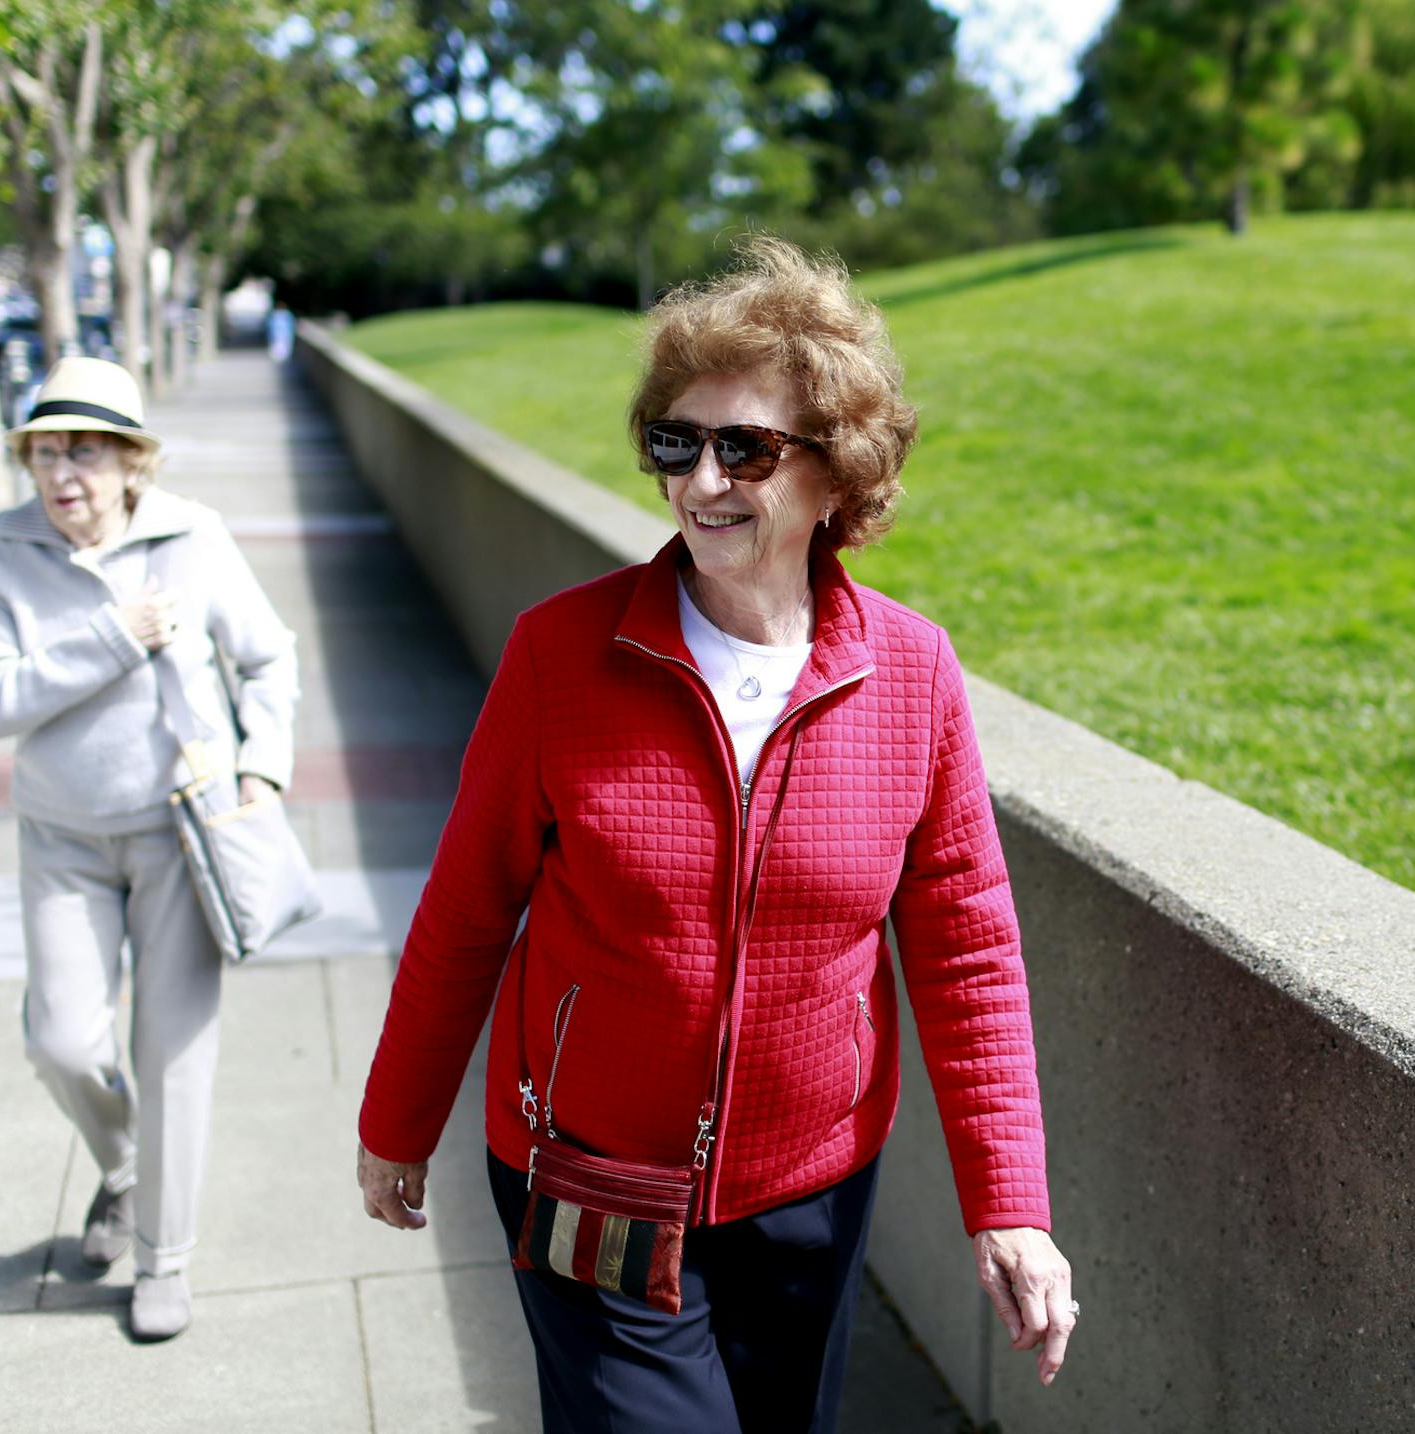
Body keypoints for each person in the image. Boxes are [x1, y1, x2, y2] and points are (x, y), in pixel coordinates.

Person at [355, 236, 1077, 1432]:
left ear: (835, 472)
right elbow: (467, 908)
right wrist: (397, 1122)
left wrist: (1010, 1201)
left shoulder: (912, 674)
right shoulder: (559, 654)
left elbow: (965, 946)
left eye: (744, 448)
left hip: (812, 1188)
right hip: (590, 1176)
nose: (703, 482)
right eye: (675, 444)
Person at [0, 356, 299, 1341]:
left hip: (182, 831)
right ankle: (121, 1168)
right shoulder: (4, 547)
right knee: (61, 1042)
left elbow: (269, 656)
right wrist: (112, 636)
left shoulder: (192, 538)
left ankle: (164, 1258)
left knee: (173, 1052)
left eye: (87, 451)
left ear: (131, 463)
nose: (64, 473)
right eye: (46, 452)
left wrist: (261, 773)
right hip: (60, 837)